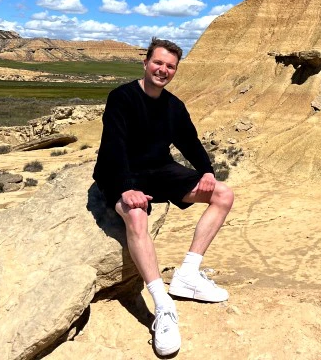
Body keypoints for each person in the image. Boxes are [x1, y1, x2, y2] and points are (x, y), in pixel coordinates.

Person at [93, 37, 234, 356]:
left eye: (170, 66)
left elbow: (190, 140)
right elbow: (114, 145)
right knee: (136, 214)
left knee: (223, 194)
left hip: (159, 170)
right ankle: (162, 305)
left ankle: (187, 274)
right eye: (158, 63)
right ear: (145, 63)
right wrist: (127, 187)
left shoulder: (173, 106)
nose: (163, 70)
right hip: (120, 171)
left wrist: (207, 170)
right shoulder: (122, 97)